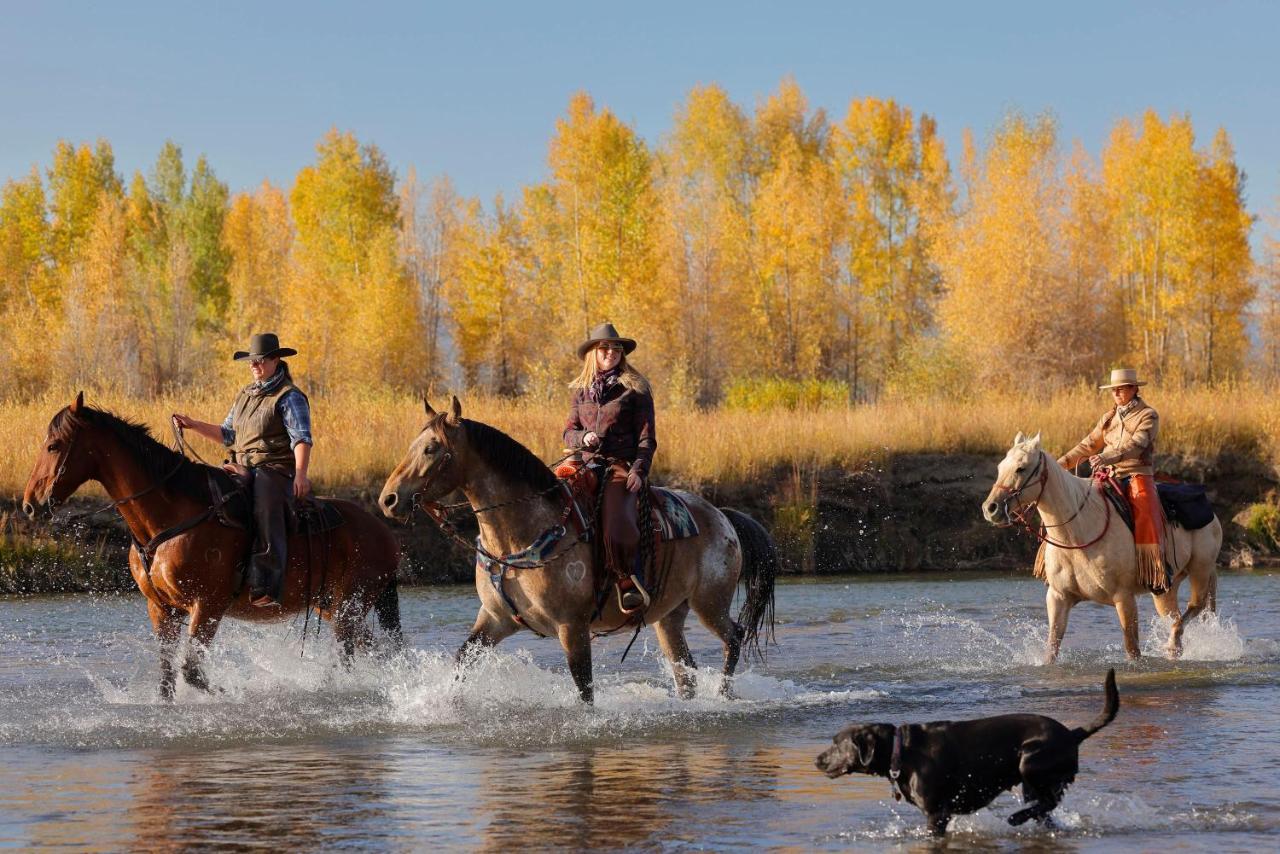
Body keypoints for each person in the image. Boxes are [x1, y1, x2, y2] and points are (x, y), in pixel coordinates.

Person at [173, 333, 312, 608]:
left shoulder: (289, 396)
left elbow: (301, 438)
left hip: (275, 469)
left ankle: (268, 584)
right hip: (242, 465)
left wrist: (300, 474)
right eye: (251, 361)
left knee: (265, 506)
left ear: (276, 360)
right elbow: (227, 435)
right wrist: (193, 424)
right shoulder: (245, 395)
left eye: (260, 361)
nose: (255, 366)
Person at [563, 322, 657, 613]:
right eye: (604, 347)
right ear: (593, 352)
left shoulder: (636, 390)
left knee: (615, 521)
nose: (610, 352)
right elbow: (568, 433)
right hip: (585, 464)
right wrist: (583, 437)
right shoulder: (580, 392)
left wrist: (638, 471)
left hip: (621, 465)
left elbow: (647, 439)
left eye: (616, 348)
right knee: (553, 503)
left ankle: (627, 580)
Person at [1057, 368, 1169, 592]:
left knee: (1145, 506)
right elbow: (1088, 445)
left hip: (1136, 472)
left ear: (1134, 389)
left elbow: (1137, 444)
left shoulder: (1148, 415)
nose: (1117, 393)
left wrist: (1107, 456)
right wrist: (1059, 465)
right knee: (1075, 502)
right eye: (1113, 390)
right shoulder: (1108, 417)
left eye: (1122, 388)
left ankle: (1154, 570)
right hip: (1107, 475)